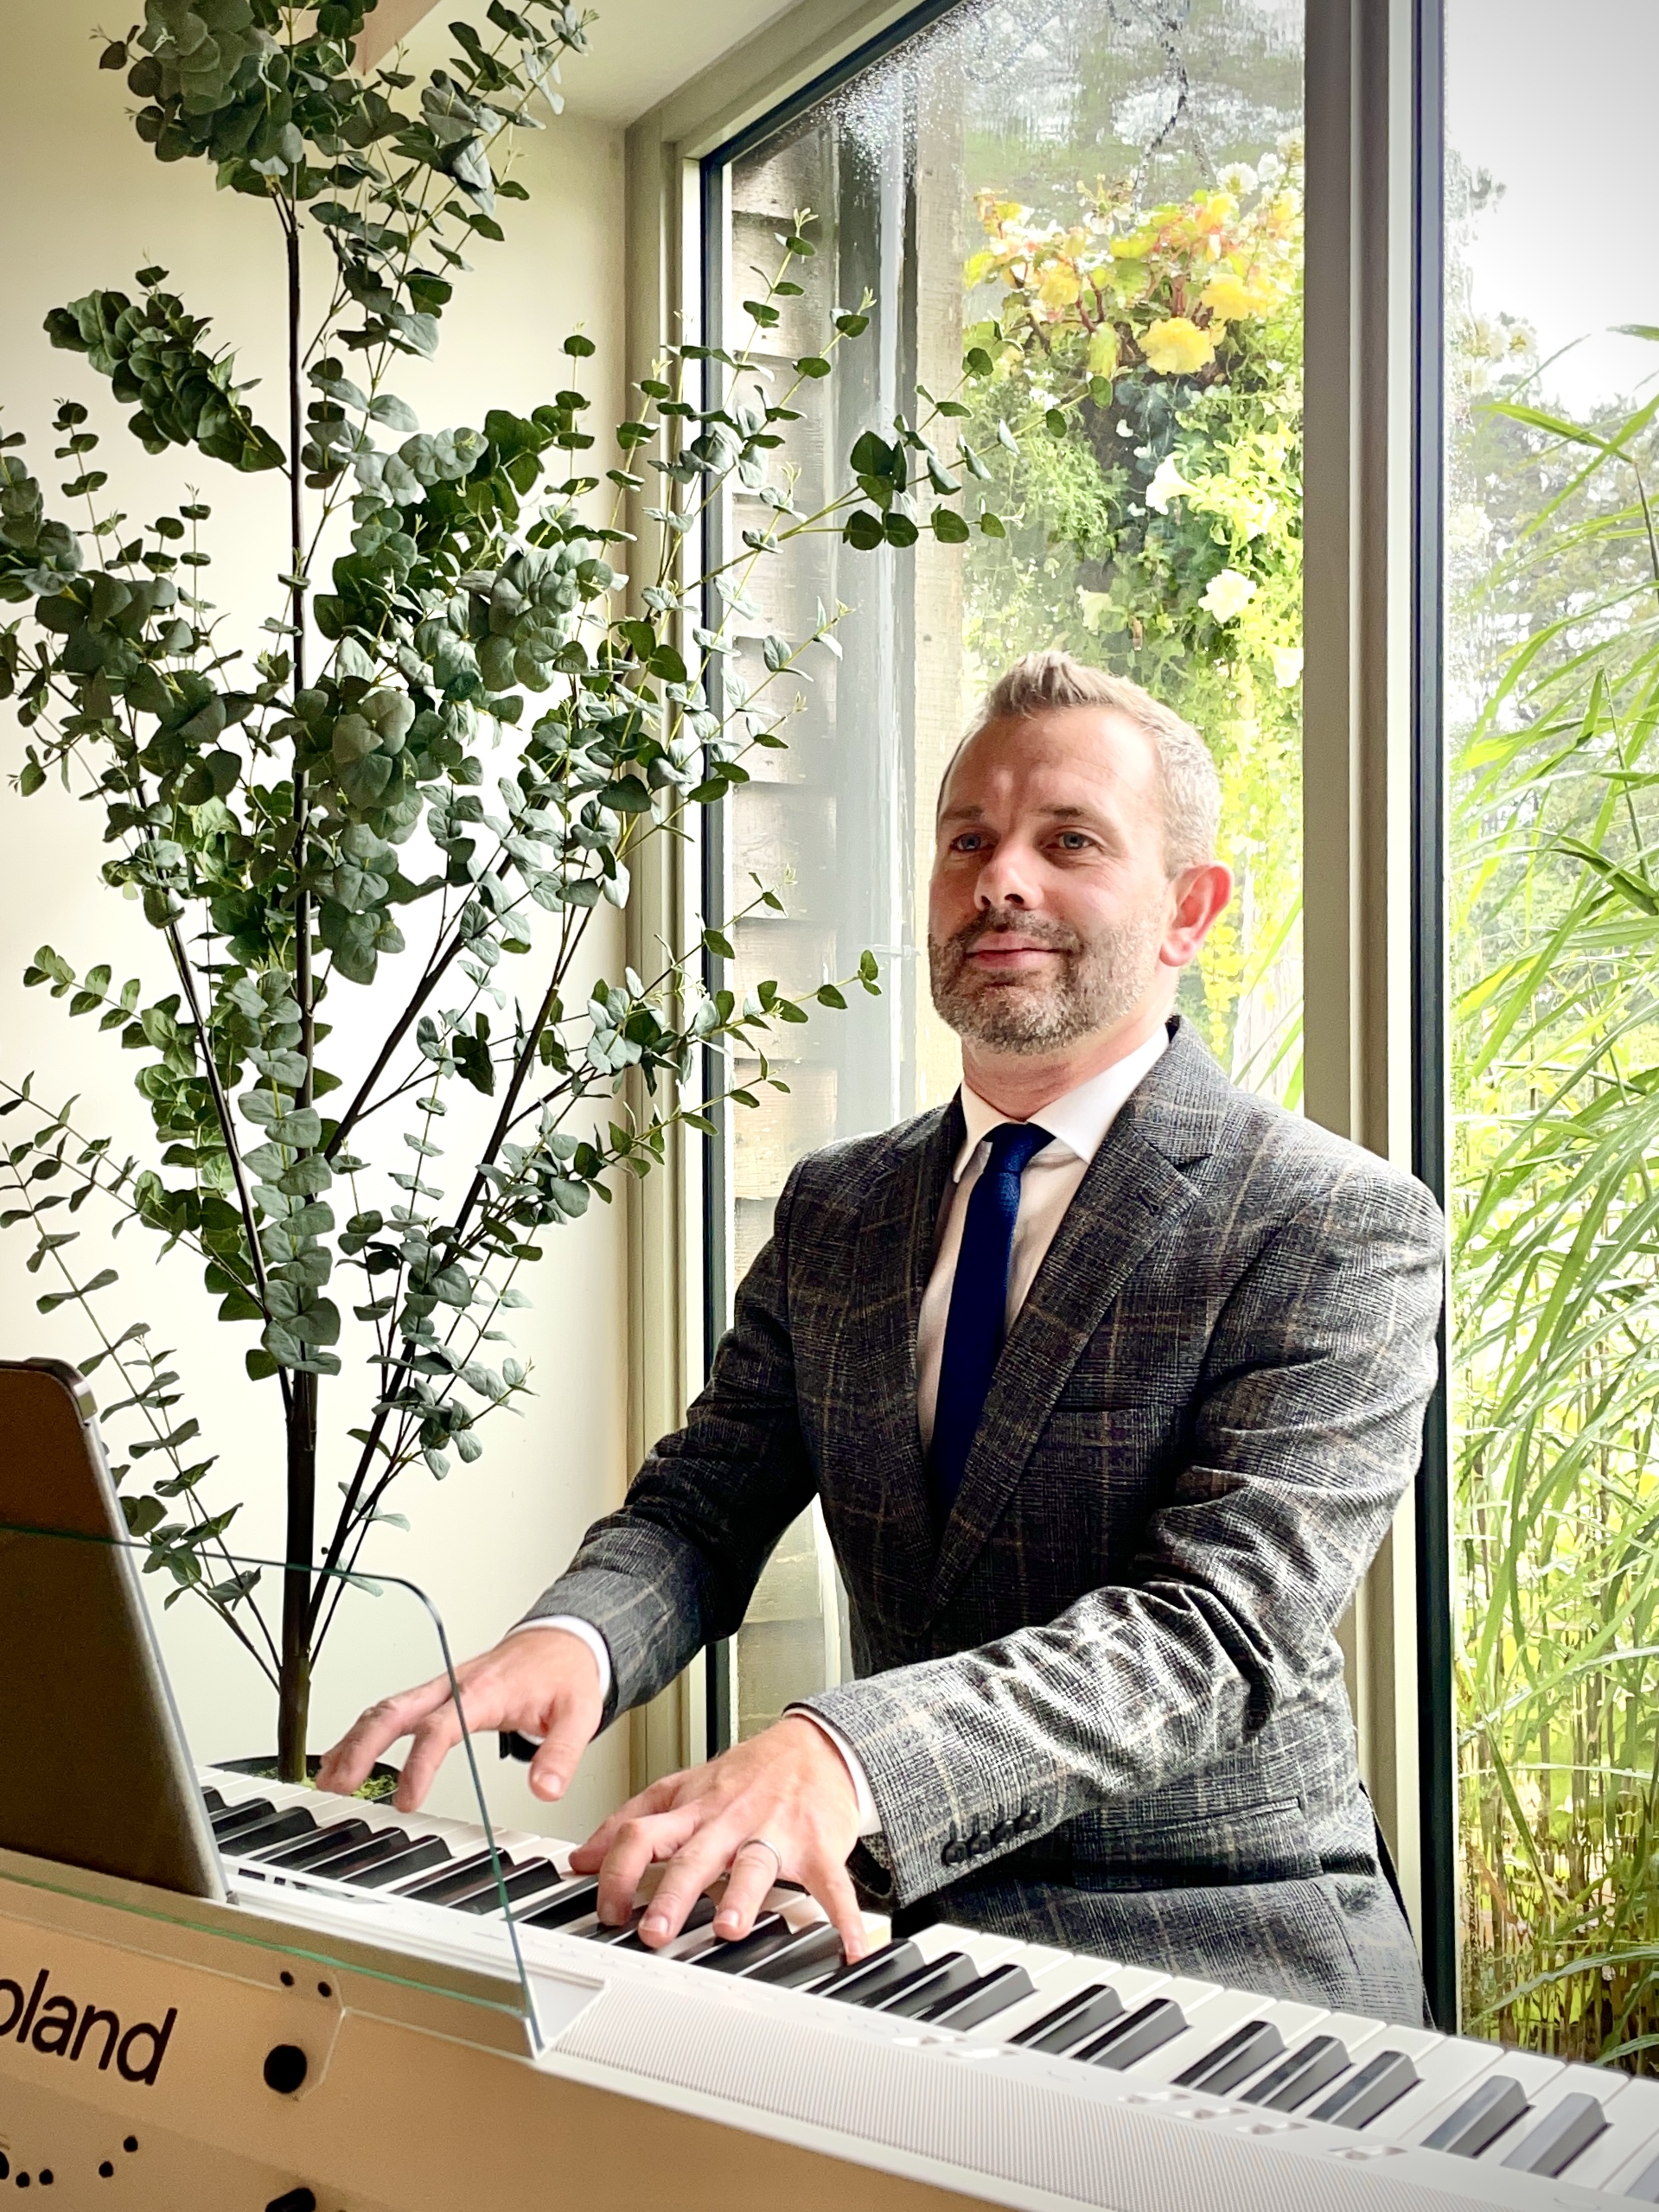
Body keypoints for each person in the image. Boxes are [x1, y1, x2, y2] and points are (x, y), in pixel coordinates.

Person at [320, 650, 1443, 2023]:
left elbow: (1216, 1630)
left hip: (1219, 1948)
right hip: (885, 1931)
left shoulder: (1335, 1221)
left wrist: (838, 1758)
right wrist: (575, 1641)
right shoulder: (839, 1207)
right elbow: (704, 1505)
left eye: (1067, 841)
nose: (1001, 879)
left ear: (1188, 913)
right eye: (967, 839)